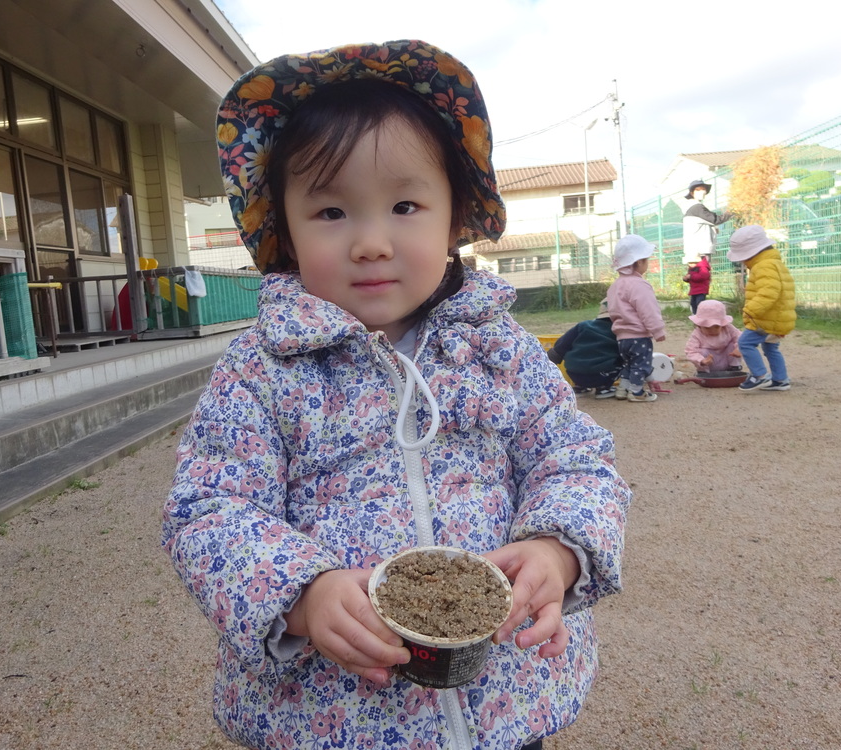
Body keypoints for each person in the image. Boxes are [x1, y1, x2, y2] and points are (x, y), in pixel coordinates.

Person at [161, 40, 632, 750]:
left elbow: (573, 458)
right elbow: (207, 509)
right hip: (330, 717)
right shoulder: (263, 371)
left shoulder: (497, 348)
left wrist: (556, 548)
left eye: (405, 205)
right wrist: (300, 593)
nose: (372, 242)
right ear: (282, 229)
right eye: (331, 213)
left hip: (504, 698)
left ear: (455, 217)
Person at [727, 224, 796, 391]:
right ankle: (780, 380)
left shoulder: (763, 266)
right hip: (779, 316)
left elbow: (769, 291)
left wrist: (751, 310)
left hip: (766, 318)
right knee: (771, 347)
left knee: (745, 343)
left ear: (752, 253)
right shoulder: (773, 263)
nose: (743, 261)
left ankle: (759, 376)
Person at [606, 234, 667, 402]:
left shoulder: (614, 286)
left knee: (628, 364)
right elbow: (648, 310)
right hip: (639, 335)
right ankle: (637, 392)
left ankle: (622, 389)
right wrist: (658, 330)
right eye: (646, 260)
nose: (647, 263)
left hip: (622, 337)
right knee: (641, 364)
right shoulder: (639, 285)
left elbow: (612, 310)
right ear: (638, 262)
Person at [548, 299, 622, 398]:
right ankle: (604, 388)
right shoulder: (619, 331)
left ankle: (580, 387)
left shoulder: (583, 325)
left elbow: (561, 346)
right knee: (624, 358)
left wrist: (548, 364)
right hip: (602, 375)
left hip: (574, 373)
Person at [682, 180, 732, 266]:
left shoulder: (691, 208)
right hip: (700, 250)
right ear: (692, 193)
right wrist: (733, 210)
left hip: (694, 249)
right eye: (698, 190)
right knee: (702, 275)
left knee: (697, 276)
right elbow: (716, 220)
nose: (702, 192)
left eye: (703, 189)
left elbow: (705, 222)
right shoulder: (697, 208)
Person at [684, 299, 741, 373]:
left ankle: (734, 367)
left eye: (716, 327)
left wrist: (739, 349)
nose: (712, 330)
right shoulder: (697, 334)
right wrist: (701, 360)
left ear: (722, 324)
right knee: (703, 351)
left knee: (733, 345)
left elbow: (740, 337)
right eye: (707, 328)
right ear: (699, 325)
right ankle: (704, 371)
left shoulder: (728, 328)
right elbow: (690, 351)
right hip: (709, 362)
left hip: (727, 359)